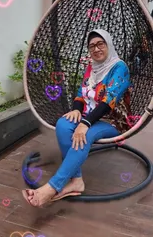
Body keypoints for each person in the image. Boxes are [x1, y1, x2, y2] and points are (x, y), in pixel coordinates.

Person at [22, 28, 131, 207]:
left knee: (85, 134)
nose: (96, 49)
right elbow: (81, 94)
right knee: (64, 125)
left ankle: (52, 187)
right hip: (88, 116)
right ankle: (77, 180)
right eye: (92, 46)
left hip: (112, 120)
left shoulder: (119, 67)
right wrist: (76, 110)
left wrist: (85, 124)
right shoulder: (91, 67)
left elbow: (108, 102)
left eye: (100, 44)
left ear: (108, 44)